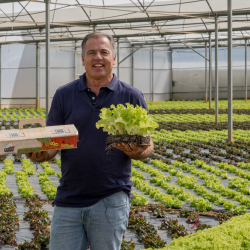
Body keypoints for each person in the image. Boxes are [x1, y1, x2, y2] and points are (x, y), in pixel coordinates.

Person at [26, 32, 154, 250]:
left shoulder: (131, 96)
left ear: (114, 58)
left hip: (111, 199)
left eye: (104, 52)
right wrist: (40, 154)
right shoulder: (64, 95)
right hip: (68, 198)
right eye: (91, 52)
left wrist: (138, 153)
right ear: (82, 59)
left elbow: (148, 145)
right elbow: (52, 144)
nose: (98, 57)